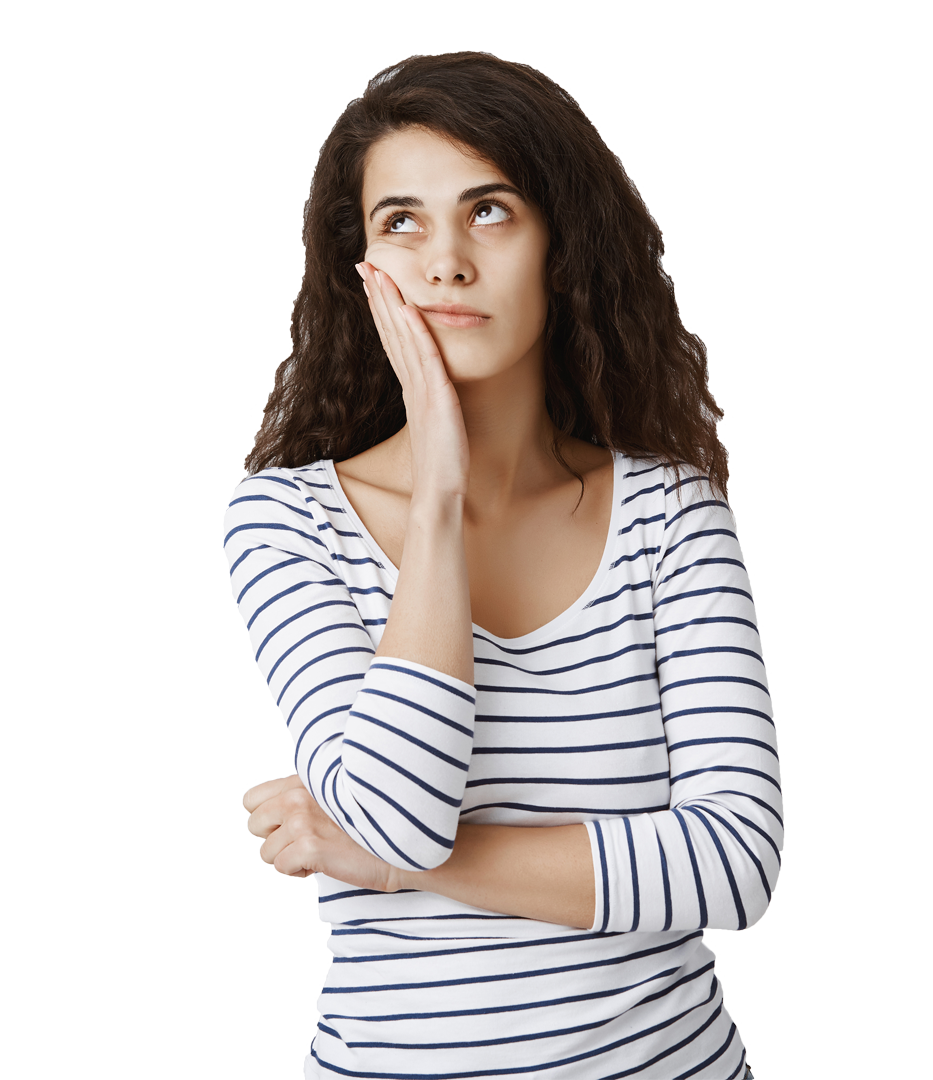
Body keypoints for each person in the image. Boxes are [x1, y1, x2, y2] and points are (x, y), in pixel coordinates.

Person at [225, 51, 781, 1080]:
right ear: (362, 268)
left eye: (490, 211)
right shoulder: (282, 524)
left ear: (561, 247)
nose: (445, 262)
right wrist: (438, 487)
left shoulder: (671, 518)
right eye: (402, 221)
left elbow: (733, 864)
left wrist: (385, 864)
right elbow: (399, 813)